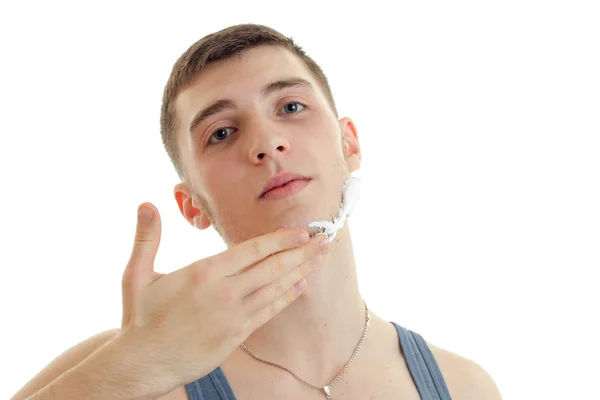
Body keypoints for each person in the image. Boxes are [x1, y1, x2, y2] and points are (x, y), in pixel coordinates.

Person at [12, 24, 502, 400]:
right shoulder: (126, 370)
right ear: (192, 206)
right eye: (221, 133)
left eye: (290, 107)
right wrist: (137, 366)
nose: (267, 143)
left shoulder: (464, 386)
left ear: (348, 143)